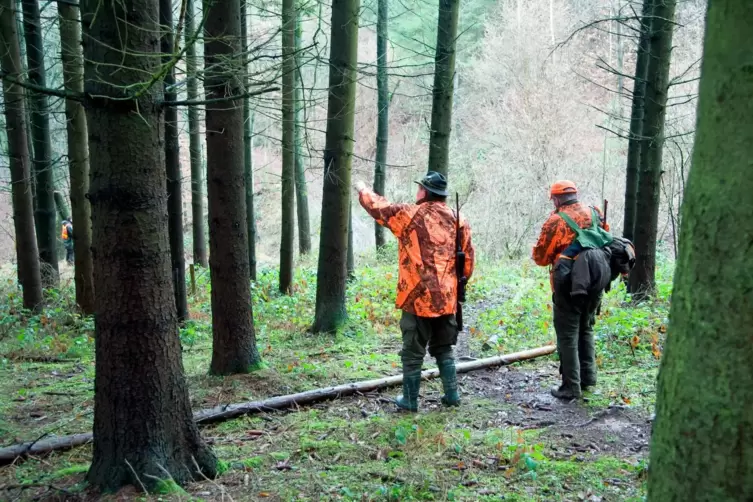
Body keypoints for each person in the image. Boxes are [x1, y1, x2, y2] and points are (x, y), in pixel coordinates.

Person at [355, 171, 475, 412]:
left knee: (412, 351)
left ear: (426, 192)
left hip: (417, 297)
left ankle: (410, 400)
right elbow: (468, 262)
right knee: (443, 348)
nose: (417, 191)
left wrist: (362, 190)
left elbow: (380, 208)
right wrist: (452, 287)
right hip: (447, 299)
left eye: (420, 187)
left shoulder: (410, 214)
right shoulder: (459, 218)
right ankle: (452, 396)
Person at [532, 180, 609, 400]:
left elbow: (540, 257)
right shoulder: (595, 213)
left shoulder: (555, 221)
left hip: (567, 284)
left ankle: (570, 387)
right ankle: (588, 378)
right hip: (595, 281)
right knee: (586, 327)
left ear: (556, 199)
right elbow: (604, 237)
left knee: (567, 334)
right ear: (575, 195)